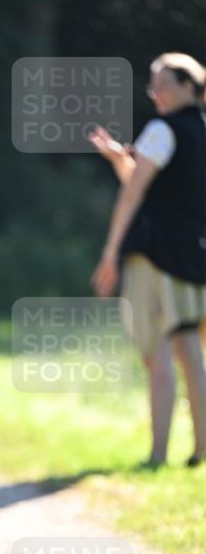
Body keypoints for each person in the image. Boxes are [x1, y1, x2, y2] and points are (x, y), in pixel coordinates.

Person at [90, 52, 206, 468]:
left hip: (154, 255)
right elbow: (158, 188)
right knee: (190, 345)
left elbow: (134, 193)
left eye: (163, 83)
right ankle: (201, 449)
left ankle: (158, 455)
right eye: (152, 84)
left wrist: (110, 252)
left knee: (155, 351)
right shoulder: (199, 129)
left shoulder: (161, 129)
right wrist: (120, 160)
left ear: (189, 87)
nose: (155, 91)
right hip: (193, 254)